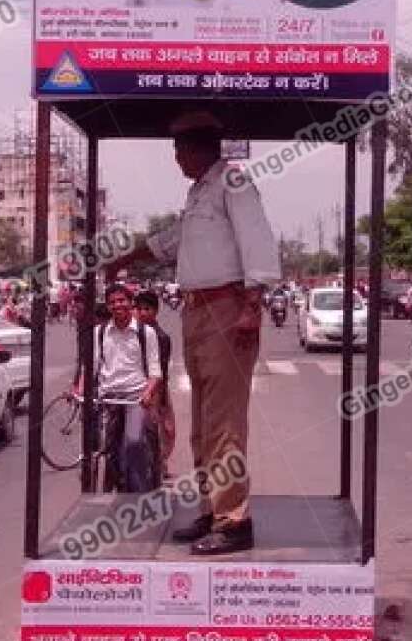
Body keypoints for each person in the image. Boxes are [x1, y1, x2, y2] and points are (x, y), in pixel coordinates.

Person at [110, 110, 279, 554]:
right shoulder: (200, 194)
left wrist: (252, 306)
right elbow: (170, 240)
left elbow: (257, 241)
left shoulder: (233, 183)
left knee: (224, 421)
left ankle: (234, 520)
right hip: (197, 311)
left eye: (179, 150)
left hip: (227, 306)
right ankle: (211, 509)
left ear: (198, 148)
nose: (177, 159)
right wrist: (122, 258)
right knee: (203, 421)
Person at [88, 285, 162, 493]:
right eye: (112, 302)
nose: (117, 305)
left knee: (134, 441)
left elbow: (155, 371)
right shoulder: (100, 332)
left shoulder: (145, 333)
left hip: (135, 397)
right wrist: (78, 390)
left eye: (121, 300)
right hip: (108, 397)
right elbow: (92, 366)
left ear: (131, 303)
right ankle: (113, 486)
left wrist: (148, 393)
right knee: (105, 448)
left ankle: (141, 495)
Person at [134, 289, 174, 480]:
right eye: (139, 309)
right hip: (135, 388)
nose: (142, 313)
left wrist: (162, 400)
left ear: (156, 311)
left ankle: (160, 463)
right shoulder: (132, 334)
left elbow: (162, 372)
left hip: (156, 389)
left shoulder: (162, 338)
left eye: (147, 309)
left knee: (166, 430)